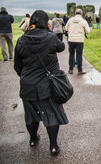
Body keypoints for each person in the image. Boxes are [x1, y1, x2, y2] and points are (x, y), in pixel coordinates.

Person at [14, 10, 68, 156]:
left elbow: (17, 66)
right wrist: (51, 32)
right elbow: (61, 47)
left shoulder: (21, 40)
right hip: (47, 83)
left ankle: (33, 139)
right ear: (46, 23)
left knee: (31, 115)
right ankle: (53, 146)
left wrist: (25, 77)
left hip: (28, 84)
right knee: (51, 115)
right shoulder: (50, 38)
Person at [65, 9, 90, 75]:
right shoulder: (83, 21)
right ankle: (79, 70)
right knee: (79, 55)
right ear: (81, 14)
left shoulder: (70, 20)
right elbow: (88, 31)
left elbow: (66, 29)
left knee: (71, 54)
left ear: (75, 13)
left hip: (71, 39)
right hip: (79, 40)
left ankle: (70, 69)